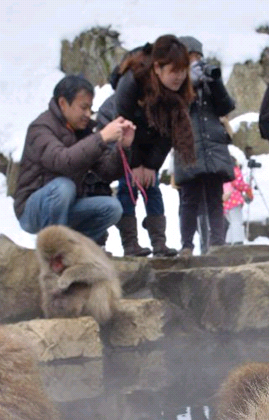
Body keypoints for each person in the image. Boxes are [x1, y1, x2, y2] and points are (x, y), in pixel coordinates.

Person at [98, 36, 195, 257]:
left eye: (183, 70)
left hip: (152, 135)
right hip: (122, 133)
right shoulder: (131, 81)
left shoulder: (179, 90)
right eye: (174, 70)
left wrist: (150, 165)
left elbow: (170, 133)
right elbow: (122, 125)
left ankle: (159, 242)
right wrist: (134, 165)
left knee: (152, 185)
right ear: (158, 67)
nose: (180, 76)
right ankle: (130, 243)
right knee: (127, 184)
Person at [14, 75, 135, 245]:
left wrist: (123, 147)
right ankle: (54, 250)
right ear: (63, 103)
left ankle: (75, 249)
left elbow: (108, 172)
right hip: (32, 210)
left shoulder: (83, 132)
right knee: (63, 186)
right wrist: (100, 138)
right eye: (83, 108)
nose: (88, 114)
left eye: (90, 108)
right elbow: (63, 161)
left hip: (67, 205)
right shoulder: (40, 128)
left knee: (112, 208)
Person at [174, 36, 235, 258]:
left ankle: (218, 244)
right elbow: (174, 110)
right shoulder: (176, 84)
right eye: (191, 57)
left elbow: (226, 107)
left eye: (199, 57)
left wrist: (215, 83)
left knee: (214, 197)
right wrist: (189, 84)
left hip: (213, 147)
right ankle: (187, 246)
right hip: (188, 147)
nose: (196, 62)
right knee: (189, 199)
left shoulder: (209, 83)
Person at [223, 157, 253, 245]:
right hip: (234, 200)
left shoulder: (222, 172)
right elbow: (238, 183)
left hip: (225, 200)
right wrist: (247, 188)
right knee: (237, 221)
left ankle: (228, 241)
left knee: (231, 222)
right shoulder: (234, 170)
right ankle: (238, 240)